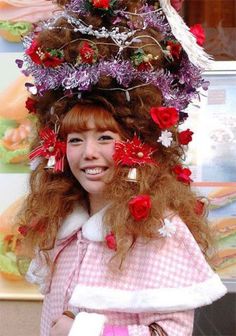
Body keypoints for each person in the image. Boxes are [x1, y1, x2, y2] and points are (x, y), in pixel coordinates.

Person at [16, 0, 227, 335]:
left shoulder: (159, 231)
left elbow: (172, 332)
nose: (88, 153)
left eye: (104, 137)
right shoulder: (65, 227)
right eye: (75, 140)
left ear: (136, 145)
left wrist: (85, 332)